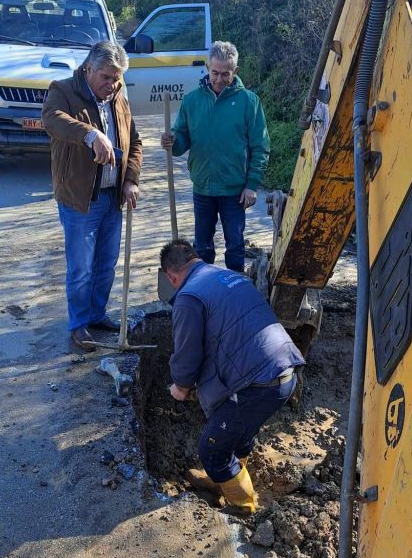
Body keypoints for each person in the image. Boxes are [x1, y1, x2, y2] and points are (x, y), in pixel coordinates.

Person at [160, 239, 305, 514]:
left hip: (258, 383)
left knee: (212, 451)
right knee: (238, 431)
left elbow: (187, 352)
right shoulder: (230, 276)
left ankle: (242, 504)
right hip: (285, 372)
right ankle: (229, 477)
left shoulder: (188, 296)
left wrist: (181, 386)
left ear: (171, 275)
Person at [42, 41, 142, 351]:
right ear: (89, 69)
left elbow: (135, 143)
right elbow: (52, 120)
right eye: (107, 78)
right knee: (81, 267)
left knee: (105, 264)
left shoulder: (119, 98)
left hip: (112, 198)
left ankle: (98, 314)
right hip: (80, 201)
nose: (113, 85)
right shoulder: (63, 90)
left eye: (117, 78)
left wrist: (130, 181)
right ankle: (79, 325)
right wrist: (90, 134)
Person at [160, 41, 270, 273]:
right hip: (203, 188)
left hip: (235, 192)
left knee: (235, 247)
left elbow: (260, 146)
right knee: (203, 248)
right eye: (215, 73)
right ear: (208, 68)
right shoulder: (192, 101)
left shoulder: (249, 102)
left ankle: (235, 292)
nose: (219, 79)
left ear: (235, 72)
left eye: (226, 74)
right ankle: (205, 292)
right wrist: (172, 142)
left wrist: (251, 185)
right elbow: (181, 139)